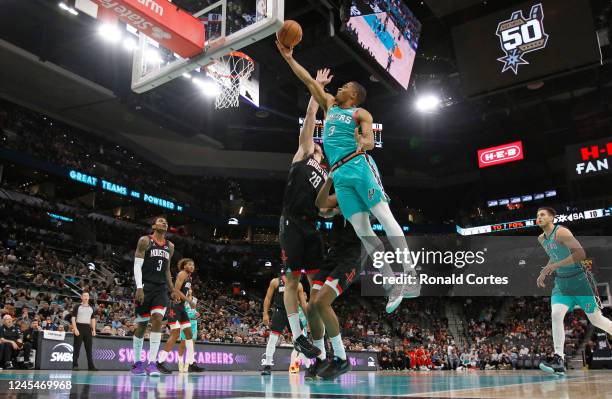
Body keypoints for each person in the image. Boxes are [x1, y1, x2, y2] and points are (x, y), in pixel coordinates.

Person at [276, 41, 418, 317]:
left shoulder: (359, 112)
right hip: (338, 174)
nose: (337, 89)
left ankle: (410, 272)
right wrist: (288, 57)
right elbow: (307, 81)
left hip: (358, 166)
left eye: (344, 87)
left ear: (353, 95)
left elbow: (369, 139)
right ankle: (392, 283)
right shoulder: (329, 105)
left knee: (386, 219)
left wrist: (364, 142)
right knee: (365, 233)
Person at [276, 68, 341, 373]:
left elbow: (326, 209)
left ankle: (322, 354)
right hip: (291, 221)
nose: (318, 145)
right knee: (291, 280)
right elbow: (311, 118)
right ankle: (298, 336)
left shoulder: (327, 172)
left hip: (312, 228)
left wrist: (332, 211)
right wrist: (319, 92)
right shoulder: (304, 152)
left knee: (316, 292)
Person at [535, 207, 612, 374]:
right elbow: (553, 256)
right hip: (561, 285)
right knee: (555, 315)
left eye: (542, 215)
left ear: (552, 218)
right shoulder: (541, 238)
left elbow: (581, 253)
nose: (538, 217)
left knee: (597, 320)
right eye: (537, 215)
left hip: (579, 282)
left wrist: (556, 265)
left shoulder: (561, 232)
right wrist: (544, 271)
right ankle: (559, 359)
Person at [131, 217, 178, 376]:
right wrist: (139, 287)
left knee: (158, 319)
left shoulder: (170, 246)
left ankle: (152, 364)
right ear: (154, 226)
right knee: (142, 325)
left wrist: (172, 289)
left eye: (166, 222)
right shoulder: (145, 241)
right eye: (160, 221)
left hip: (160, 288)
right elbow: (137, 265)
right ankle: (137, 362)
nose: (164, 223)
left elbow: (167, 270)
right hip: (145, 286)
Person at [156, 258, 204, 374]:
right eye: (189, 264)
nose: (192, 266)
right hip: (175, 306)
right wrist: (190, 300)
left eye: (193, 264)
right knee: (176, 333)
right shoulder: (182, 274)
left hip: (181, 307)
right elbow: (176, 290)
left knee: (189, 334)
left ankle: (191, 363)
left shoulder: (189, 277)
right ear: (184, 266)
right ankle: (160, 362)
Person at [261, 272, 309, 375]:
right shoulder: (276, 281)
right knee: (273, 338)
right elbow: (268, 298)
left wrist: (309, 319)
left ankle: (309, 367)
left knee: (301, 340)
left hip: (293, 313)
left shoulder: (298, 285)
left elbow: (303, 303)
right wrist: (265, 313)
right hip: (280, 312)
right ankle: (267, 365)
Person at [71, 292, 97, 371]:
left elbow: (93, 319)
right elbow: (73, 318)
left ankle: (91, 366)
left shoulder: (91, 307)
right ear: (81, 297)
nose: (86, 297)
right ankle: (75, 365)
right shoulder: (77, 306)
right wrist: (75, 328)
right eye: (84, 296)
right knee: (77, 347)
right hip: (79, 326)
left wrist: (94, 329)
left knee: (89, 348)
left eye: (87, 296)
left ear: (89, 298)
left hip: (87, 328)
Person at [178, 291, 199, 373]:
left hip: (194, 323)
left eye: (191, 288)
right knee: (183, 344)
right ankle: (180, 362)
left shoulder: (194, 299)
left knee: (192, 346)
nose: (190, 289)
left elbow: (194, 310)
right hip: (185, 322)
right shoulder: (182, 298)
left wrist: (196, 313)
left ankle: (187, 365)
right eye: (188, 288)